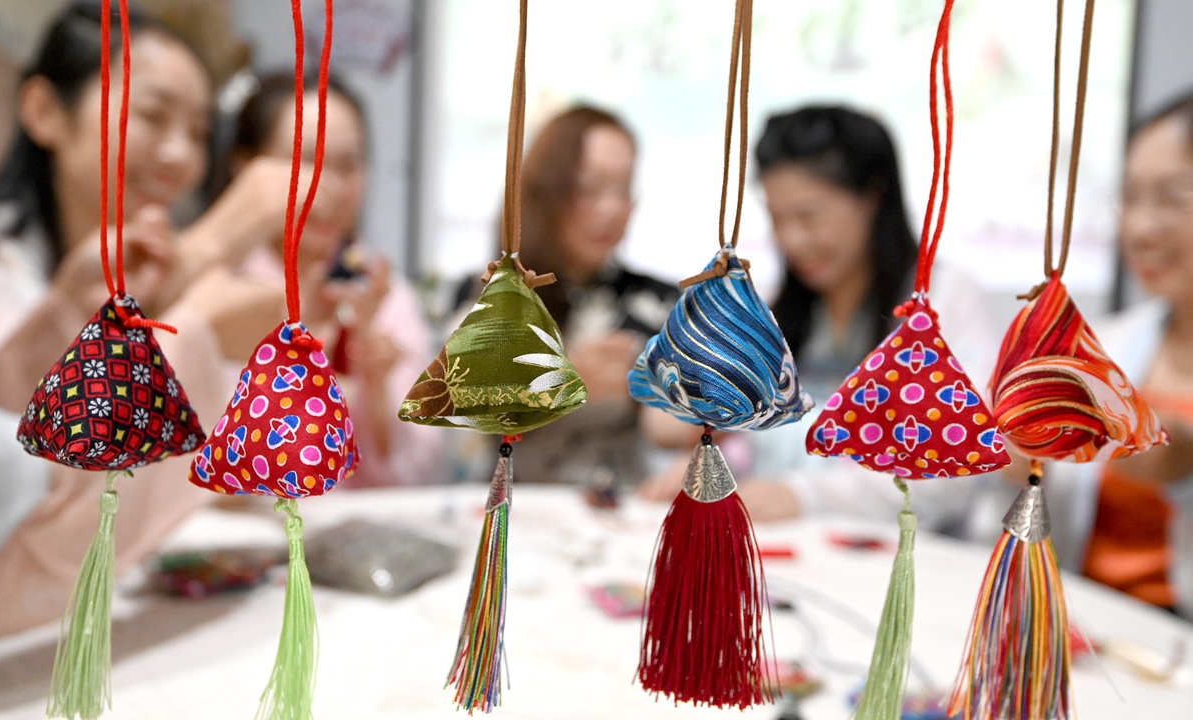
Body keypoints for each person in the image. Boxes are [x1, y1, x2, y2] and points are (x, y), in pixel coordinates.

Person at [0, 1, 237, 638]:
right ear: (45, 112)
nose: (181, 156)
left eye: (199, 129)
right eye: (152, 115)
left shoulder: (183, 278)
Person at [640, 106, 999, 530]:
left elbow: (955, 464)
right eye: (777, 218)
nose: (792, 240)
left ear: (873, 197)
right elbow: (694, 427)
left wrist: (803, 496)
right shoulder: (778, 308)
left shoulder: (944, 300)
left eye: (809, 216)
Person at [211, 71, 441, 487]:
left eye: (349, 164)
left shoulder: (382, 296)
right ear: (244, 169)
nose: (329, 186)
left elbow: (410, 476)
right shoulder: (214, 286)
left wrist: (376, 390)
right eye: (304, 161)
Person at [455, 105, 681, 488]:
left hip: (617, 507)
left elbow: (670, 429)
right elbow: (458, 429)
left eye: (623, 189)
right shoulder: (490, 292)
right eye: (589, 188)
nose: (610, 210)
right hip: (508, 510)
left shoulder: (656, 304)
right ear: (547, 191)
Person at [1030, 95, 1193, 616]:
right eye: (1131, 198)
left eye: (1175, 198)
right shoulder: (1109, 346)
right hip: (1092, 632)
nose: (1142, 230)